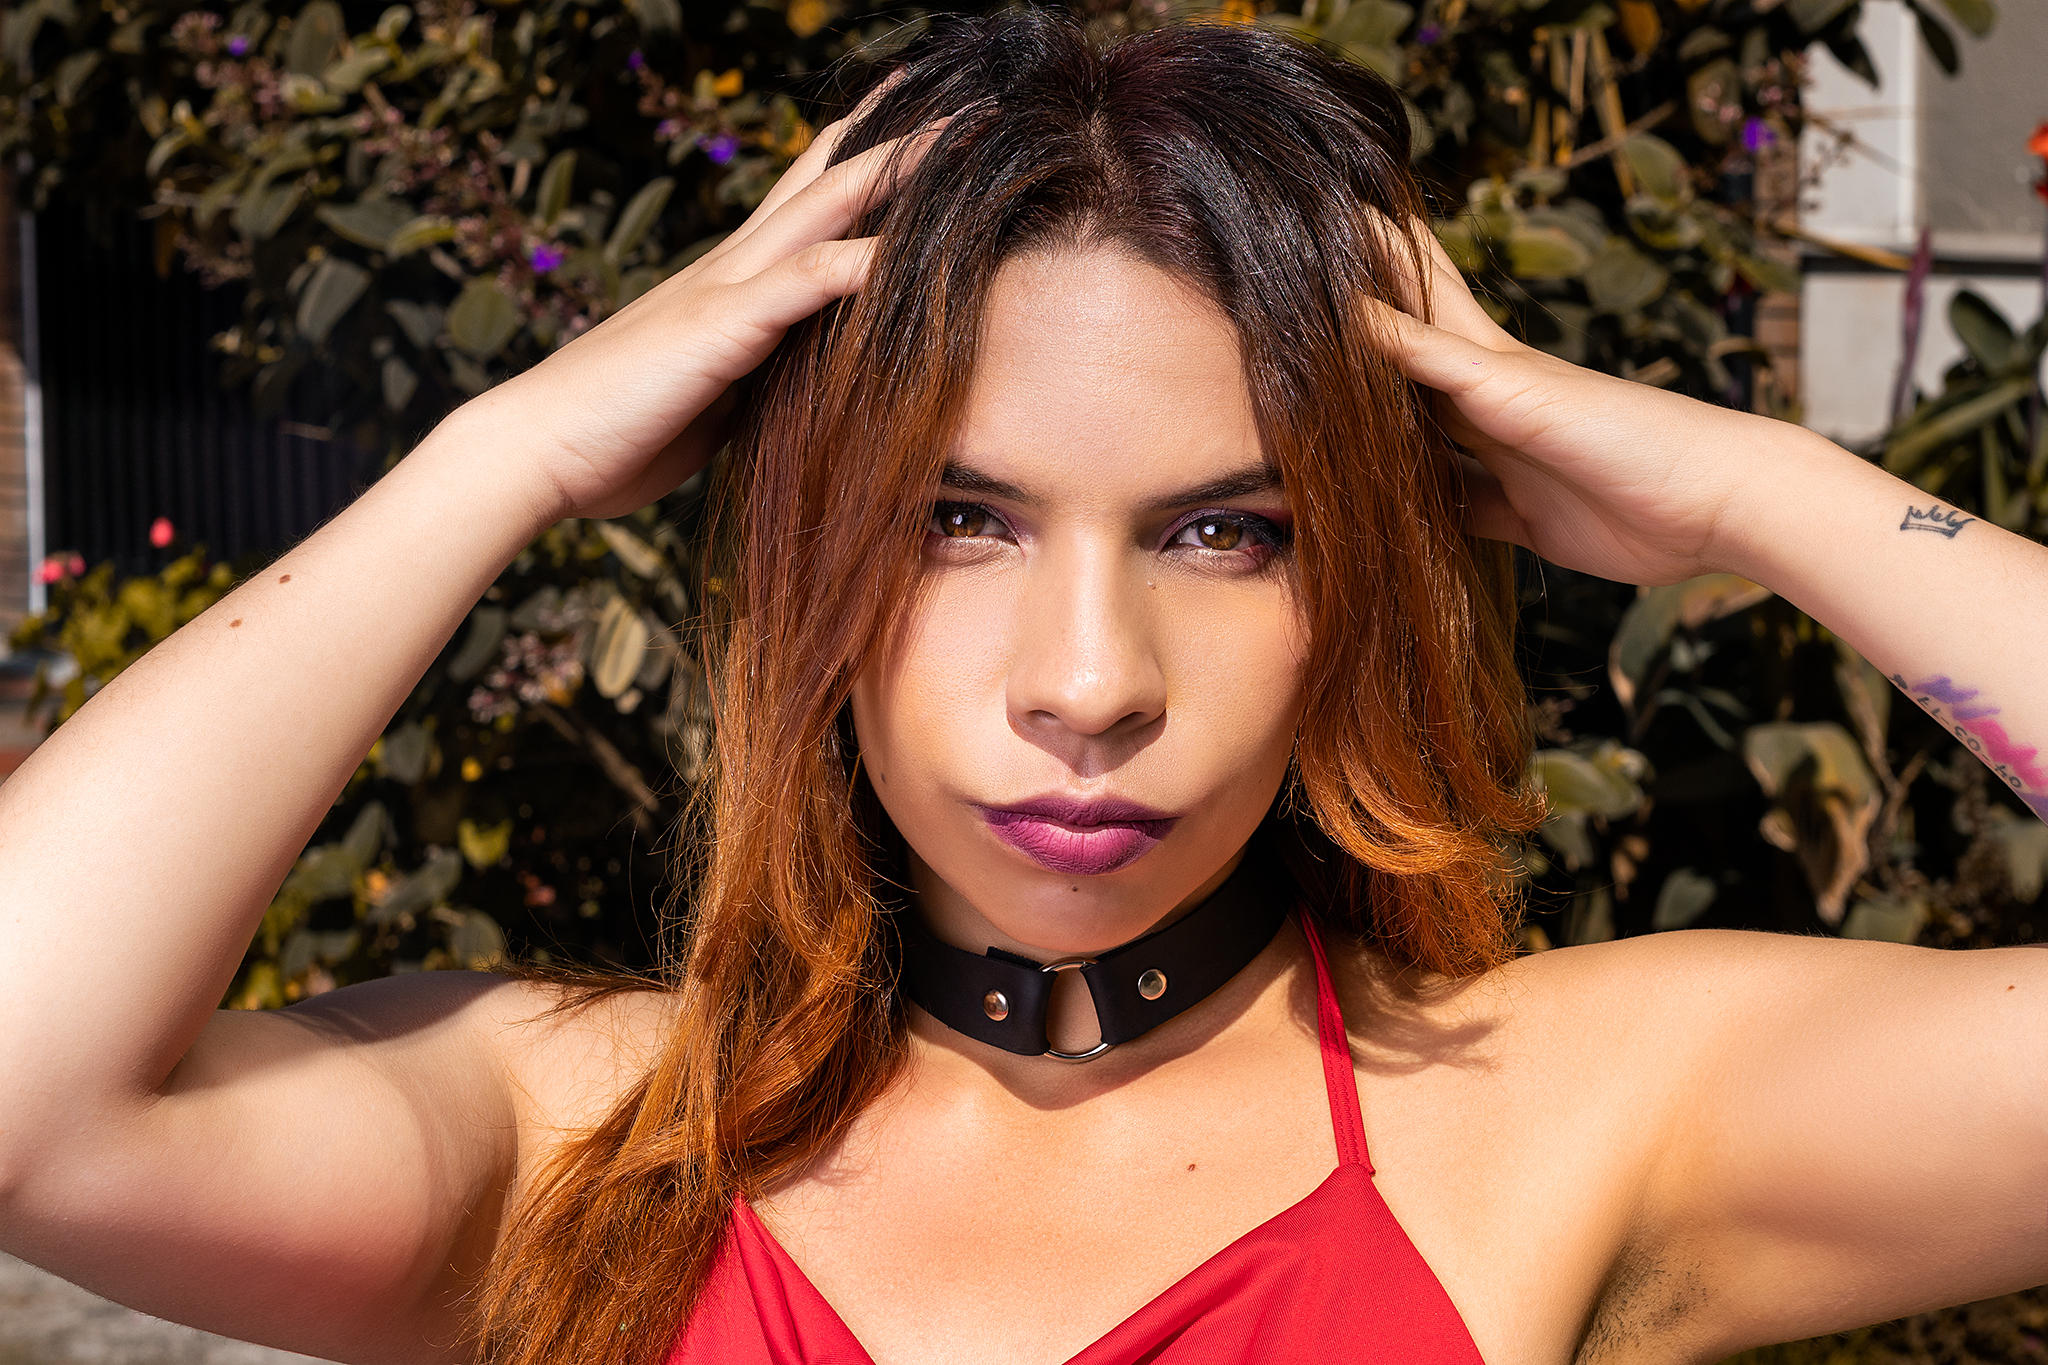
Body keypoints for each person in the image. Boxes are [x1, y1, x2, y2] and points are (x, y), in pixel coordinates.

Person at [2, 7, 2046, 1365]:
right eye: (955, 519)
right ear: (809, 554)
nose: (1088, 679)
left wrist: (1755, 488)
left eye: (1228, 531)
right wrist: (498, 457)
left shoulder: (1570, 1117)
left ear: (1353, 584)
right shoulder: (589, 1144)